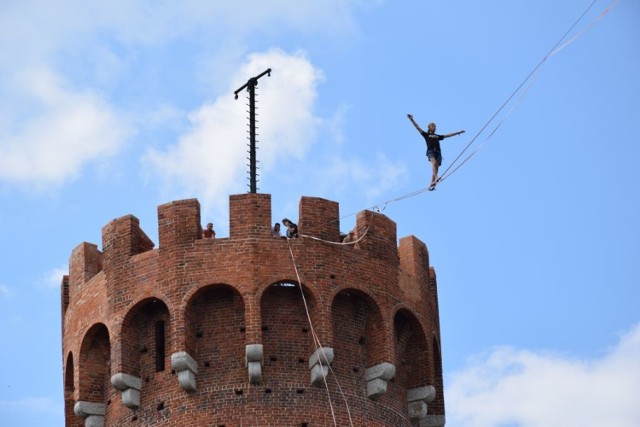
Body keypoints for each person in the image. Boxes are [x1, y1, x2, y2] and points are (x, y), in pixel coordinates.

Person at [407, 114, 465, 190]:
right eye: (433, 126)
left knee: (436, 167)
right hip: (431, 151)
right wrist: (411, 119)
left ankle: (432, 183)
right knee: (434, 163)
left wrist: (458, 132)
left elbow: (447, 135)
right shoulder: (426, 134)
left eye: (435, 127)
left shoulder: (437, 136)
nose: (434, 128)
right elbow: (417, 127)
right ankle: (436, 178)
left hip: (438, 152)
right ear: (429, 128)